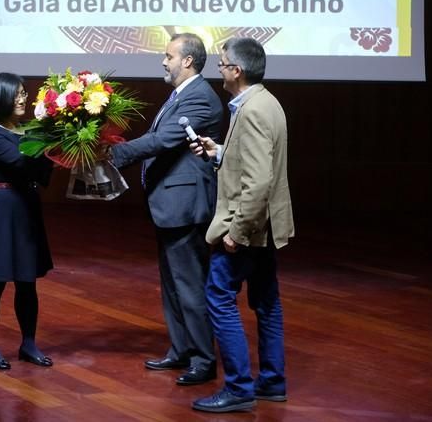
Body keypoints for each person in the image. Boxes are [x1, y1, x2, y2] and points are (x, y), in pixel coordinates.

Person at [109, 33, 223, 385]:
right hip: (171, 206)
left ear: (187, 60)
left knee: (189, 285)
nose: (163, 61)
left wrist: (114, 153)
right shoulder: (182, 94)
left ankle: (203, 360)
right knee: (173, 284)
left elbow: (163, 140)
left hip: (185, 207)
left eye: (168, 55)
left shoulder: (201, 98)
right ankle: (181, 350)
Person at [189, 38, 295, 412]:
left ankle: (237, 387)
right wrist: (219, 152)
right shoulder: (266, 102)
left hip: (247, 228)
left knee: (219, 297)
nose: (218, 70)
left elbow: (258, 182)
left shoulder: (250, 111)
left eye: (221, 65)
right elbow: (253, 165)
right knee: (267, 303)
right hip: (266, 227)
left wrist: (236, 232)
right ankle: (271, 380)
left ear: (237, 70)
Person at [0, 72, 54, 370]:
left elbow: (41, 171)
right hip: (3, 208)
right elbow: (23, 162)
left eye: (24, 92)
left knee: (27, 280)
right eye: (17, 94)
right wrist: (48, 143)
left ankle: (28, 343)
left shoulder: (27, 129)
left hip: (26, 206)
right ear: (1, 97)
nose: (23, 98)